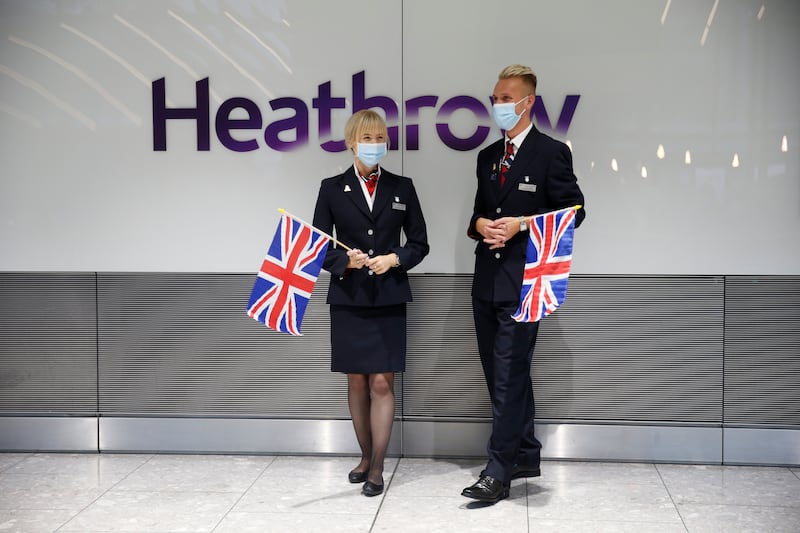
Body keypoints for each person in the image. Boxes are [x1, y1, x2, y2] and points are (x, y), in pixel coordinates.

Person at [462, 64, 586, 503]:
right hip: (486, 282)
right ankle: (525, 453)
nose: (497, 105)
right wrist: (479, 223)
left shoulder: (551, 152)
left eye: (505, 98)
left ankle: (497, 471)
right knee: (502, 374)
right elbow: (478, 216)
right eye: (494, 98)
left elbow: (574, 212)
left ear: (527, 101)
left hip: (525, 284)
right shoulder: (486, 157)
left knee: (508, 375)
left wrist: (523, 225)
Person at [312, 109, 429, 497]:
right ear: (351, 142)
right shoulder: (331, 188)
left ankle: (377, 466)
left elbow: (418, 243)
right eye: (367, 138)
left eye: (380, 138)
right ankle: (364, 457)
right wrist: (345, 260)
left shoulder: (403, 187)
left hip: (389, 296)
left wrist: (394, 258)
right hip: (349, 297)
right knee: (357, 382)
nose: (375, 144)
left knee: (382, 381)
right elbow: (317, 248)